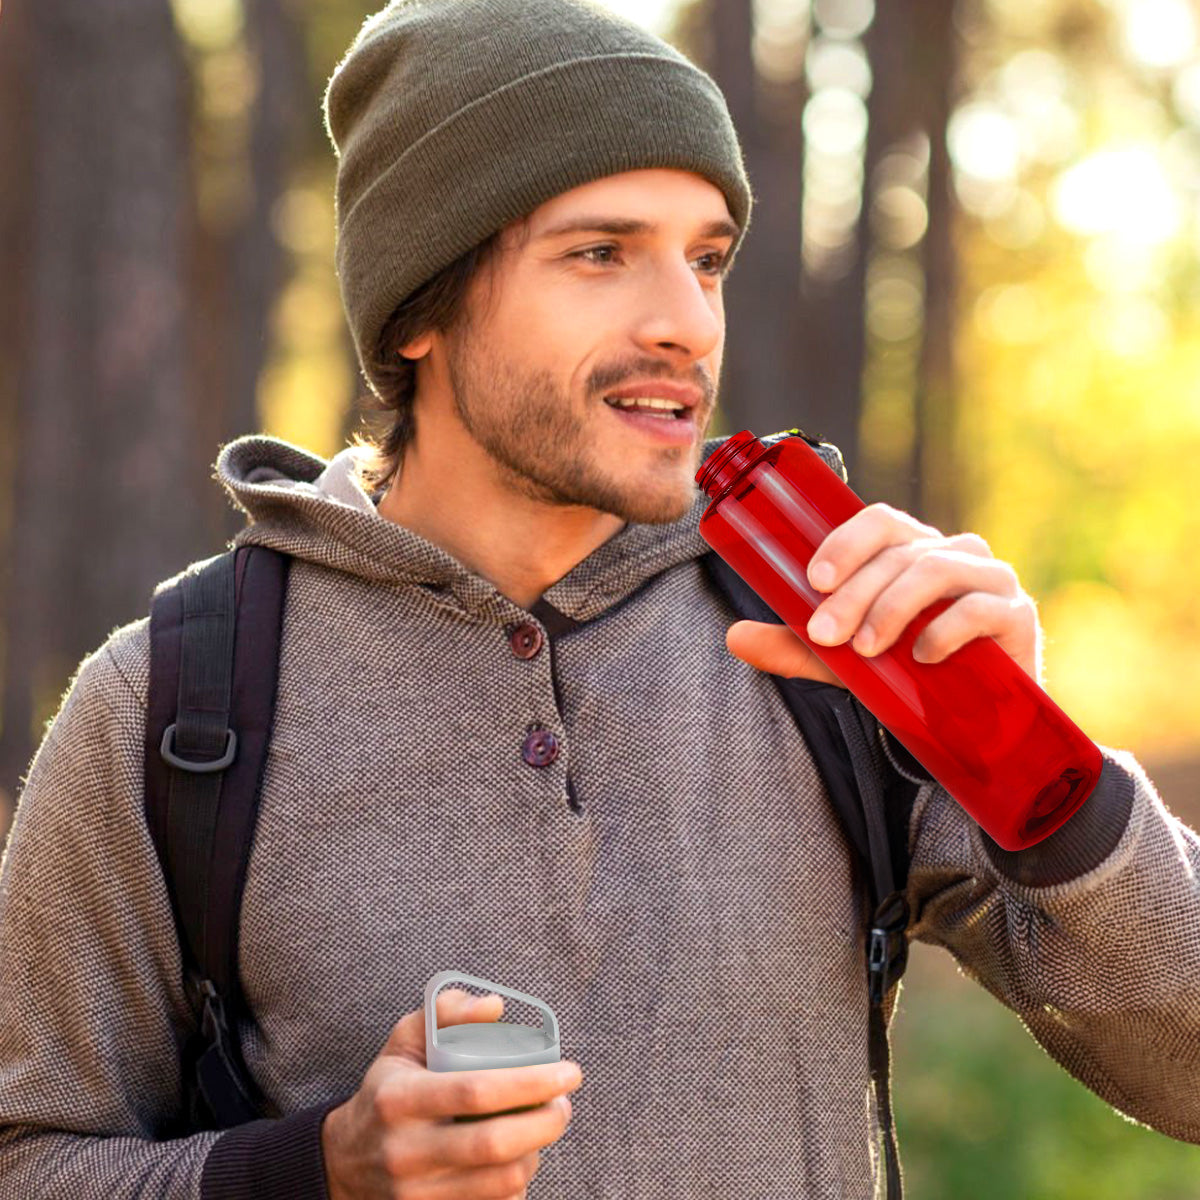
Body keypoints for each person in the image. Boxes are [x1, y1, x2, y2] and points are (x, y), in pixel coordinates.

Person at [1, 1, 1198, 1197]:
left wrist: (1042, 766)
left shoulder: (833, 643)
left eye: (707, 257)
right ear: (418, 308)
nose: (686, 322)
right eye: (600, 252)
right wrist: (313, 1172)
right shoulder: (172, 701)